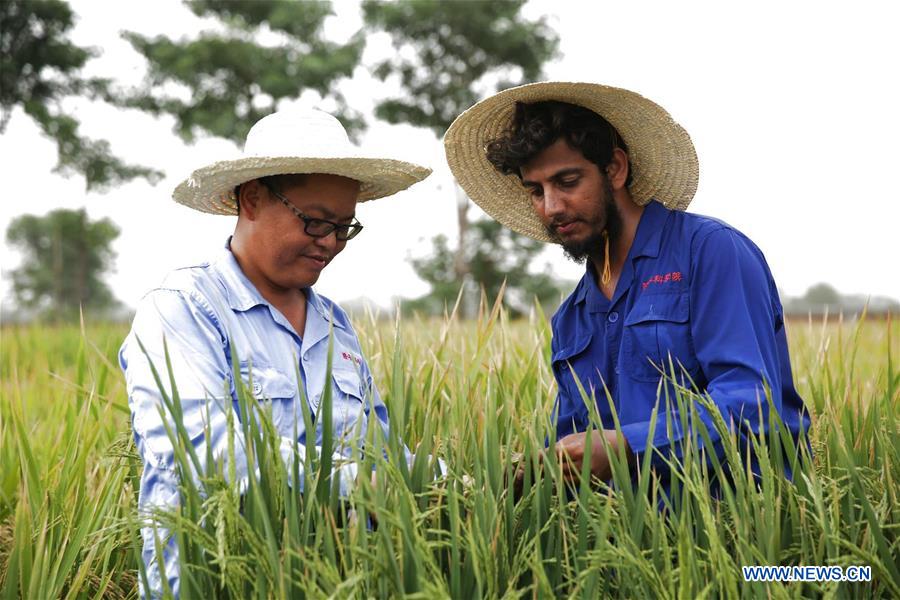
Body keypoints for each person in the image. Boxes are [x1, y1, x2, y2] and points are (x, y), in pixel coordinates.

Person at [119, 107, 431, 597]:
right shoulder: (183, 312)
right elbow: (206, 452)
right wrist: (363, 485)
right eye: (315, 222)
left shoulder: (334, 325)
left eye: (345, 227)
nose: (330, 243)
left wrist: (455, 482)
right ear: (252, 198)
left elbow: (380, 453)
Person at [444, 82, 809, 491]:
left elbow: (752, 405)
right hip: (625, 538)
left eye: (567, 181)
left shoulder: (709, 252)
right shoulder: (573, 316)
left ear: (615, 169)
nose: (551, 207)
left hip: (738, 526)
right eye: (536, 190)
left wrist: (628, 446)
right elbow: (576, 449)